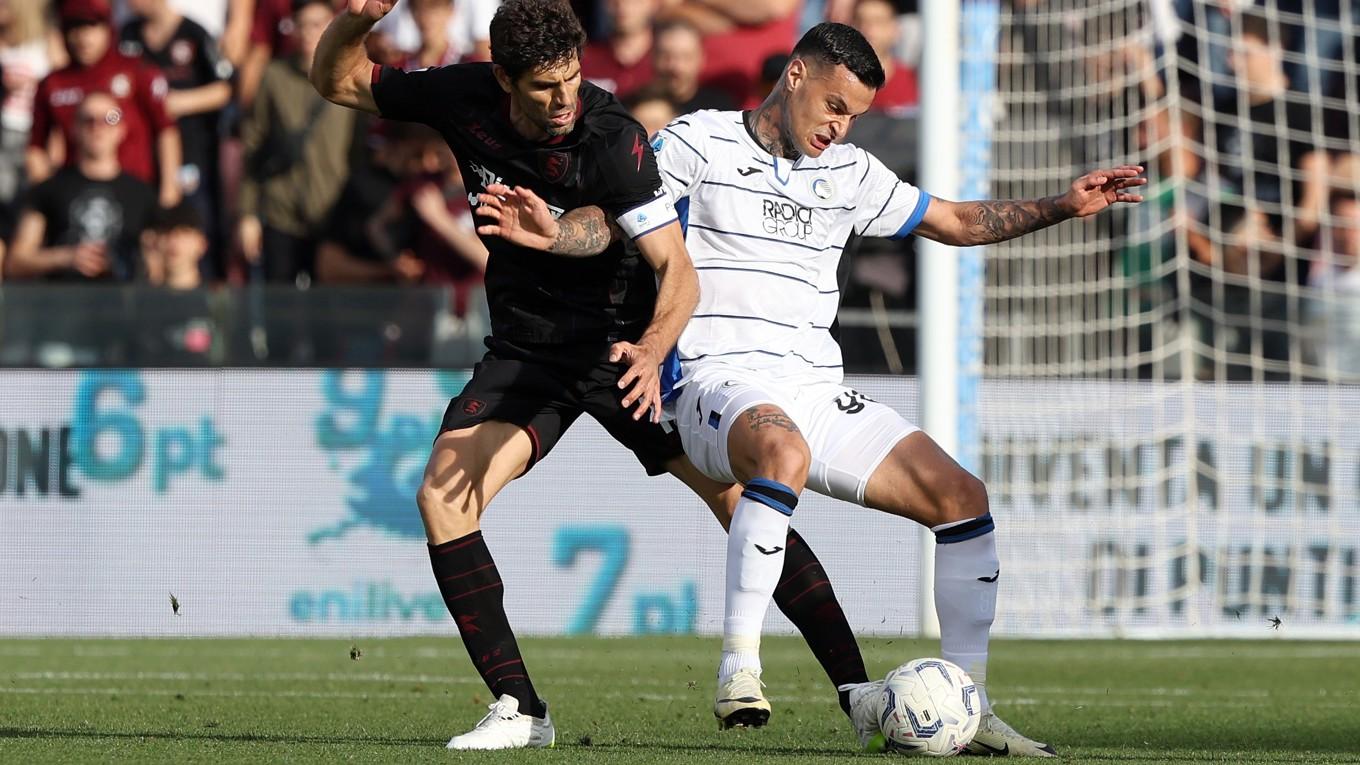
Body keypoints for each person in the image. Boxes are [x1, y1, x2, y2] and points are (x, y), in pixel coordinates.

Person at [484, 22, 1147, 756]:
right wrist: (555, 232)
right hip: (714, 379)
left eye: (854, 116)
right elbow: (616, 220)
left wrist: (1063, 204)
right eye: (834, 105)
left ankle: (969, 703)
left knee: (963, 498)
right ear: (795, 74)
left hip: (814, 387)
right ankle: (739, 666)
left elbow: (955, 219)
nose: (840, 126)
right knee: (783, 453)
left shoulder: (854, 173)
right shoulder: (699, 143)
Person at [313, 0, 880, 751]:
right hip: (531, 352)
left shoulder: (614, 137)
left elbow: (675, 269)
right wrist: (355, 21)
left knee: (743, 502)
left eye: (574, 78)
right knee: (443, 497)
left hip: (625, 352)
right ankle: (521, 707)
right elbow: (339, 79)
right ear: (504, 79)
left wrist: (648, 347)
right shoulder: (462, 96)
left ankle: (858, 691)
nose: (564, 99)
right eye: (545, 86)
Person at [239, 0, 356, 284]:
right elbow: (254, 145)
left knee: (329, 310)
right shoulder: (274, 77)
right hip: (281, 212)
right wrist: (248, 214)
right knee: (280, 308)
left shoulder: (351, 76)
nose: (308, 32)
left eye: (317, 24)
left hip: (333, 212)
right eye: (301, 25)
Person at [119, 0, 234, 278]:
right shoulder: (127, 35)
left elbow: (224, 89)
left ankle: (200, 308)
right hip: (142, 156)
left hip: (191, 154)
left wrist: (178, 102)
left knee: (188, 231)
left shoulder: (193, 33)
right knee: (147, 238)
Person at [28, 0, 181, 208]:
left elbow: (166, 131)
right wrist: (47, 198)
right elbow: (36, 147)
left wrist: (169, 190)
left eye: (92, 26)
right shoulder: (53, 84)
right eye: (74, 27)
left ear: (108, 28)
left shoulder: (136, 70)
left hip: (136, 196)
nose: (83, 37)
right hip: (78, 201)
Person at [4, 90, 156, 281]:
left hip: (125, 306)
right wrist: (65, 258)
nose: (97, 127)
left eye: (110, 119)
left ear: (121, 129)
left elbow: (157, 268)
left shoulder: (143, 194)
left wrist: (125, 262)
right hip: (62, 306)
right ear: (74, 128)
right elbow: (15, 263)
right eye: (88, 119)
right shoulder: (47, 190)